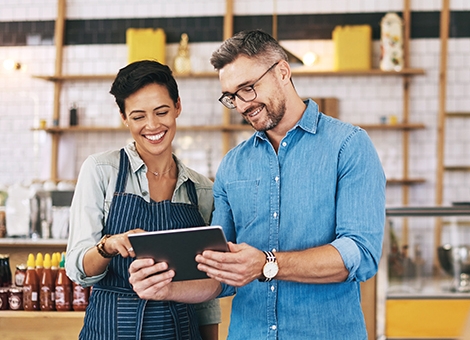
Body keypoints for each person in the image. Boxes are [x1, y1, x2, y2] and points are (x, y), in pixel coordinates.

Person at [129, 29, 386, 339]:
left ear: (282, 71)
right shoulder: (232, 164)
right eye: (231, 97)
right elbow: (220, 274)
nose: (241, 105)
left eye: (248, 88)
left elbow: (360, 253)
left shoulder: (348, 146)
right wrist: (166, 287)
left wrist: (268, 264)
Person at [66, 60, 221, 340]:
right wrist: (108, 246)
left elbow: (207, 292)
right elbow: (78, 268)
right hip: (110, 330)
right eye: (138, 116)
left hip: (181, 332)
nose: (152, 125)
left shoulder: (200, 188)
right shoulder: (102, 171)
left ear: (178, 107)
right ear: (124, 117)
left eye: (161, 112)